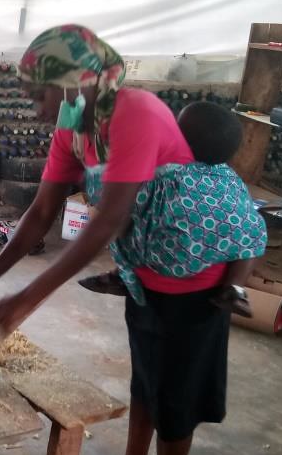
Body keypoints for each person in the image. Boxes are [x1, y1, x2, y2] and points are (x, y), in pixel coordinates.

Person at [0, 25, 266, 455]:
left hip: (195, 283)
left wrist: (29, 297)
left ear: (76, 81)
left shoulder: (137, 113)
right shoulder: (76, 129)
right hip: (145, 273)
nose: (36, 110)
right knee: (146, 380)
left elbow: (106, 222)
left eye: (39, 94)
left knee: (177, 402)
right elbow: (42, 213)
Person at [78, 100, 261, 316]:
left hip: (161, 260)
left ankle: (121, 275)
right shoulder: (230, 178)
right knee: (255, 233)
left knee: (126, 220)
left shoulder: (161, 171)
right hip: (209, 274)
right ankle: (235, 289)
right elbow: (245, 214)